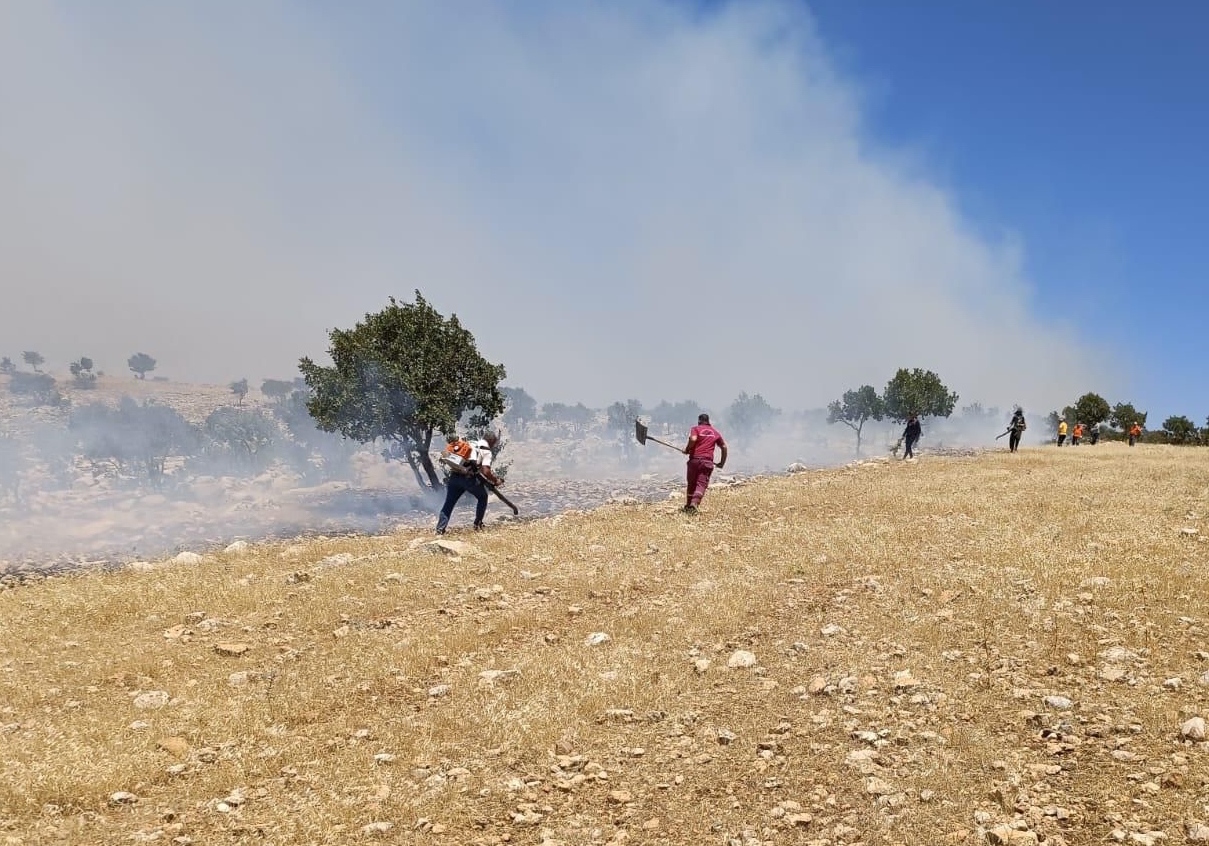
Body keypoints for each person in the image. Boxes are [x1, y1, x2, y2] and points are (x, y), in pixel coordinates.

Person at [435, 432, 503, 534]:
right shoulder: (486, 451)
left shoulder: (471, 443)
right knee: (483, 497)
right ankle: (478, 525)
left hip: (454, 477)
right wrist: (495, 481)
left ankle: (440, 530)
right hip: (468, 479)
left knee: (449, 503)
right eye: (494, 443)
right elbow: (486, 471)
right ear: (491, 441)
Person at [681, 413, 727, 513]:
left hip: (694, 461)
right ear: (708, 421)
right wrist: (721, 463)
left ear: (699, 421)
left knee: (691, 484)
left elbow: (693, 439)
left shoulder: (696, 429)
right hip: (706, 462)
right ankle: (694, 503)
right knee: (701, 484)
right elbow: (724, 447)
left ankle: (689, 505)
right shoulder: (715, 432)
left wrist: (687, 449)